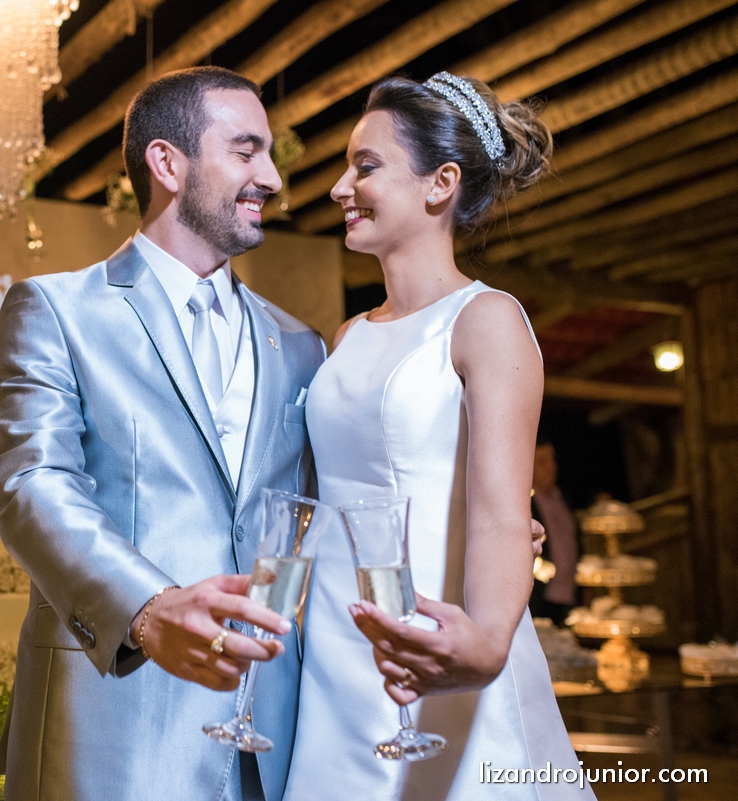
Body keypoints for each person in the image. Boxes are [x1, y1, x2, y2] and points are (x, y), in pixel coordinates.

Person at [0, 67, 326, 801]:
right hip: (114, 723)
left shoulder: (301, 344)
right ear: (168, 164)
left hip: (274, 737)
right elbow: (30, 482)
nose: (270, 176)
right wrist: (145, 609)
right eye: (245, 150)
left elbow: (316, 518)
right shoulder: (57, 308)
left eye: (269, 155)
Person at [284, 73, 593, 799]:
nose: (338, 188)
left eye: (365, 166)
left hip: (439, 637)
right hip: (335, 653)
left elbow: (498, 509)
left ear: (440, 184)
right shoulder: (349, 334)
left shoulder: (487, 321)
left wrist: (484, 643)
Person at [529, 438, 580, 626]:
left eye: (552, 460)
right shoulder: (527, 501)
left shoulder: (562, 498)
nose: (550, 467)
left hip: (569, 592)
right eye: (542, 462)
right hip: (541, 594)